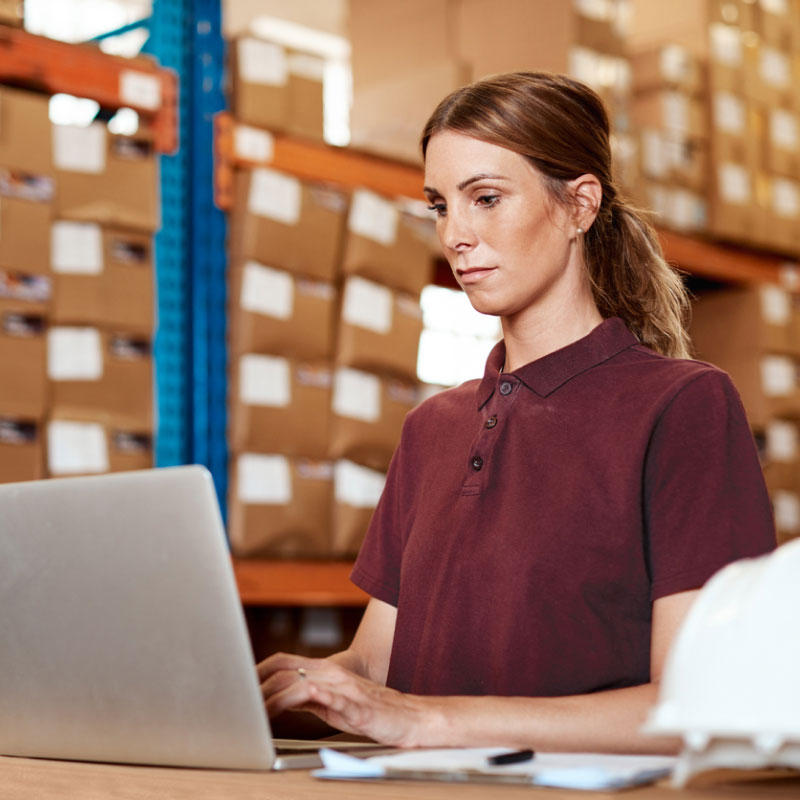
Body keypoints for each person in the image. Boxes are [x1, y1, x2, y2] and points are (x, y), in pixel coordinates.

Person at [258, 72, 776, 754]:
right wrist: (302, 684)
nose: (456, 235)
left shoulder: (683, 407)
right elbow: (376, 665)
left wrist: (424, 721)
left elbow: (698, 703)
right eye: (440, 205)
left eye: (487, 199)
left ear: (579, 206)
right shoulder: (430, 429)